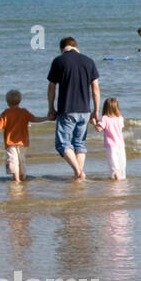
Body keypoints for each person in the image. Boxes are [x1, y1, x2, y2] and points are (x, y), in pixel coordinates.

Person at [46, 36, 100, 180]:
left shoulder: (58, 61)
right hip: (85, 110)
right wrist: (96, 110)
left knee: (62, 143)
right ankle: (79, 174)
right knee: (79, 144)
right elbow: (95, 88)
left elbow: (52, 88)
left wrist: (51, 108)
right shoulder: (89, 61)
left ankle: (78, 171)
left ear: (62, 48)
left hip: (67, 108)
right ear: (75, 46)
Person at [0, 89, 48, 182]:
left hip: (10, 142)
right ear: (20, 100)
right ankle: (22, 177)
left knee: (13, 160)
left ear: (7, 102)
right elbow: (34, 119)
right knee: (21, 160)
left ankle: (16, 179)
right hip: (22, 141)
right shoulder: (24, 112)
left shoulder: (6, 113)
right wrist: (46, 118)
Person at [96, 98, 127, 180]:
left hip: (111, 145)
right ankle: (120, 181)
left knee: (113, 165)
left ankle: (116, 180)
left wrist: (94, 122)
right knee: (121, 165)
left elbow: (99, 129)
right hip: (120, 145)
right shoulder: (120, 118)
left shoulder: (105, 118)